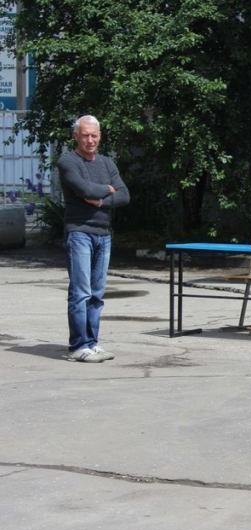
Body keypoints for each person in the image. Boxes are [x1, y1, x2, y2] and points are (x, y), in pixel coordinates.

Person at [57, 115, 130, 362]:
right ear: (76, 136)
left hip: (103, 234)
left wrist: (100, 199)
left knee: (97, 293)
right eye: (85, 135)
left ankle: (92, 343)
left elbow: (125, 195)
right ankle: (78, 346)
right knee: (81, 292)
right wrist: (107, 189)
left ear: (100, 136)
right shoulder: (68, 161)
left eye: (94, 135)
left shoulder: (107, 163)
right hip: (79, 232)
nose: (90, 140)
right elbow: (83, 189)